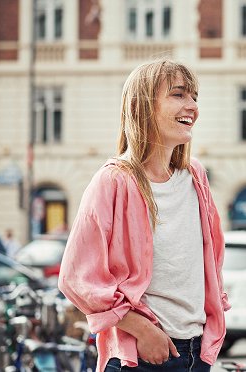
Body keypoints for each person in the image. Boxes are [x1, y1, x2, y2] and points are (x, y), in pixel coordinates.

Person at [58, 59, 230, 372]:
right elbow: (76, 277)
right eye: (178, 95)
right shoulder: (113, 180)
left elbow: (211, 262)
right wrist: (141, 329)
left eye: (194, 97)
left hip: (197, 353)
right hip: (139, 356)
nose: (192, 105)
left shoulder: (197, 178)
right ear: (143, 106)